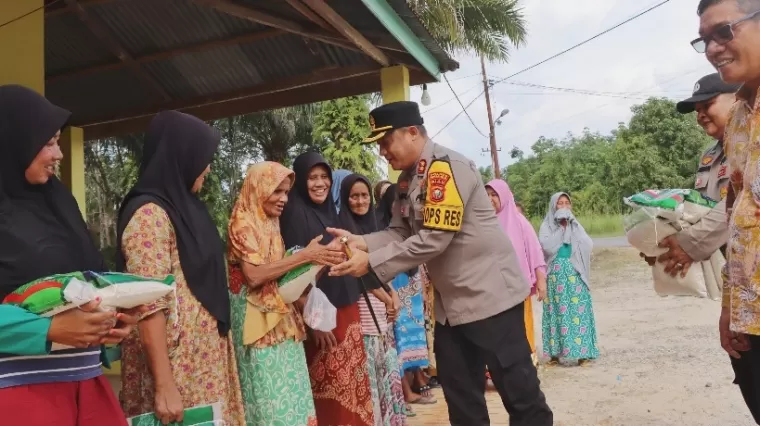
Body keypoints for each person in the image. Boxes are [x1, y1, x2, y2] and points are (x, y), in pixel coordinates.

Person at [328, 101, 553, 425]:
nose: (381, 152)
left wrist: (370, 263)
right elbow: (398, 231)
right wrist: (358, 242)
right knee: (462, 403)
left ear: (412, 132)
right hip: (452, 309)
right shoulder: (408, 181)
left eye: (385, 141)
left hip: (490, 299)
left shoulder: (444, 170)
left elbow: (434, 238)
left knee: (521, 397)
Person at [0, 84, 138, 425]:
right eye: (47, 143)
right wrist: (47, 330)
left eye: (58, 141)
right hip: (19, 395)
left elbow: (88, 281)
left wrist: (110, 326)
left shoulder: (59, 203)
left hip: (86, 386)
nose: (58, 154)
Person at [116, 111, 245, 425]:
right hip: (176, 370)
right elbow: (148, 303)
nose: (208, 167)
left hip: (203, 365)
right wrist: (164, 384)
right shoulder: (149, 215)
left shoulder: (187, 209)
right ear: (181, 156)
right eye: (203, 158)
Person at [227, 162, 344, 426]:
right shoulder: (242, 222)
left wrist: (320, 258)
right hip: (257, 325)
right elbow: (255, 276)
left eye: (287, 192)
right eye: (277, 191)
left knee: (293, 400)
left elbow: (281, 274)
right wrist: (304, 256)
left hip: (281, 319)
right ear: (260, 189)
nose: (284, 199)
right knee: (270, 402)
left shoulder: (271, 222)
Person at [695, 0, 760, 421]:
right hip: (750, 323)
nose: (713, 48)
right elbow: (737, 214)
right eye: (704, 39)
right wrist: (730, 309)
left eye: (724, 31)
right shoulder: (739, 117)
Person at [279, 151, 378, 426]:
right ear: (301, 181)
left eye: (324, 177)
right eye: (312, 178)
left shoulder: (331, 212)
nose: (320, 183)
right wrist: (314, 322)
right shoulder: (294, 214)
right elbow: (292, 273)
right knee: (332, 391)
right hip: (323, 317)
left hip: (347, 309)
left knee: (352, 386)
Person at [645, 73, 738, 275]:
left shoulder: (754, 143)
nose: (700, 115)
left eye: (708, 105)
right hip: (735, 270)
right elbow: (699, 210)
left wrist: (690, 244)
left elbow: (739, 200)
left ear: (737, 98)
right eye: (697, 110)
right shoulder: (709, 156)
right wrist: (662, 245)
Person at [338, 173, 407, 425]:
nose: (359, 201)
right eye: (353, 196)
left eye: (364, 195)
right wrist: (387, 297)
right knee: (371, 380)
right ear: (345, 199)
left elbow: (381, 267)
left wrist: (394, 294)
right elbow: (359, 274)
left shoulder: (376, 228)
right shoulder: (344, 231)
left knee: (385, 372)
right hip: (364, 315)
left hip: (382, 313)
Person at [486, 179, 547, 368]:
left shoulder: (519, 222)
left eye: (494, 195)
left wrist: (541, 281)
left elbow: (535, 251)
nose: (490, 199)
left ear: (503, 196)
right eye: (486, 195)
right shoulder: (482, 224)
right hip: (490, 288)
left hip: (516, 287)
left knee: (517, 327)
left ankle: (523, 363)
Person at [538, 193, 598, 367]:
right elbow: (547, 247)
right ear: (553, 206)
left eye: (566, 203)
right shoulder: (547, 226)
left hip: (575, 274)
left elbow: (588, 244)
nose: (563, 206)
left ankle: (583, 354)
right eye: (560, 203)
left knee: (578, 311)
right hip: (555, 275)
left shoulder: (575, 224)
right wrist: (561, 230)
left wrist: (571, 227)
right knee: (557, 312)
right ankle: (555, 355)